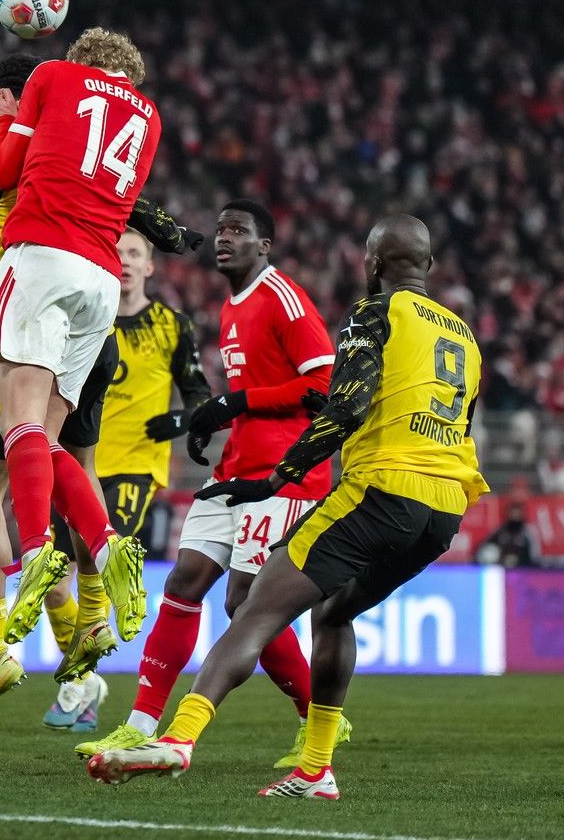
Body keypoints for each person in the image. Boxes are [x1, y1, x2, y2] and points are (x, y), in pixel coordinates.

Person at [87, 215, 485, 800]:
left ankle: (177, 739)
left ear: (372, 264)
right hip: (445, 506)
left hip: (382, 489)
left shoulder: (374, 314)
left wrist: (279, 476)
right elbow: (461, 422)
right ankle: (316, 770)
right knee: (334, 614)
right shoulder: (465, 335)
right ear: (428, 266)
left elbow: (343, 407)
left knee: (254, 609)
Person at [0, 52, 193, 728]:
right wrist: (180, 235)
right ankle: (90, 632)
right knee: (66, 466)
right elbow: (149, 215)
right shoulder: (97, 147)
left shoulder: (13, 141)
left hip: (36, 301)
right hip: (98, 315)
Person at [78, 200, 341, 770]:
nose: (224, 238)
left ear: (263, 245)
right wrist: (209, 418)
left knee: (245, 600)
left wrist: (235, 402)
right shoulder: (230, 306)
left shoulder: (284, 298)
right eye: (220, 230)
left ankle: (317, 719)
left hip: (283, 475)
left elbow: (324, 386)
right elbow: (253, 396)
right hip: (236, 468)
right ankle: (139, 725)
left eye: (238, 231)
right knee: (184, 581)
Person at [0, 28, 160, 656]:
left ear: (81, 58)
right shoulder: (149, 116)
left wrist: (0, 120)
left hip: (42, 255)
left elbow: (5, 170)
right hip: (101, 280)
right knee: (49, 437)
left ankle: (37, 551)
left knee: (18, 422)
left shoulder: (51, 76)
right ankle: (107, 547)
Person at [43, 227, 211, 734]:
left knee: (95, 559)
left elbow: (199, 395)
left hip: (135, 469)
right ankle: (87, 679)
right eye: (118, 252)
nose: (125, 261)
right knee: (50, 584)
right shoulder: (78, 317)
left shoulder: (171, 325)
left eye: (135, 253)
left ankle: (78, 682)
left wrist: (182, 421)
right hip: (72, 463)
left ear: (150, 266)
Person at [483, 501, 542, 567]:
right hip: (502, 566)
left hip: (522, 567)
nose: (514, 516)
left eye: (517, 514)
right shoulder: (500, 530)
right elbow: (485, 545)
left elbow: (534, 555)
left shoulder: (528, 532)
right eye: (512, 513)